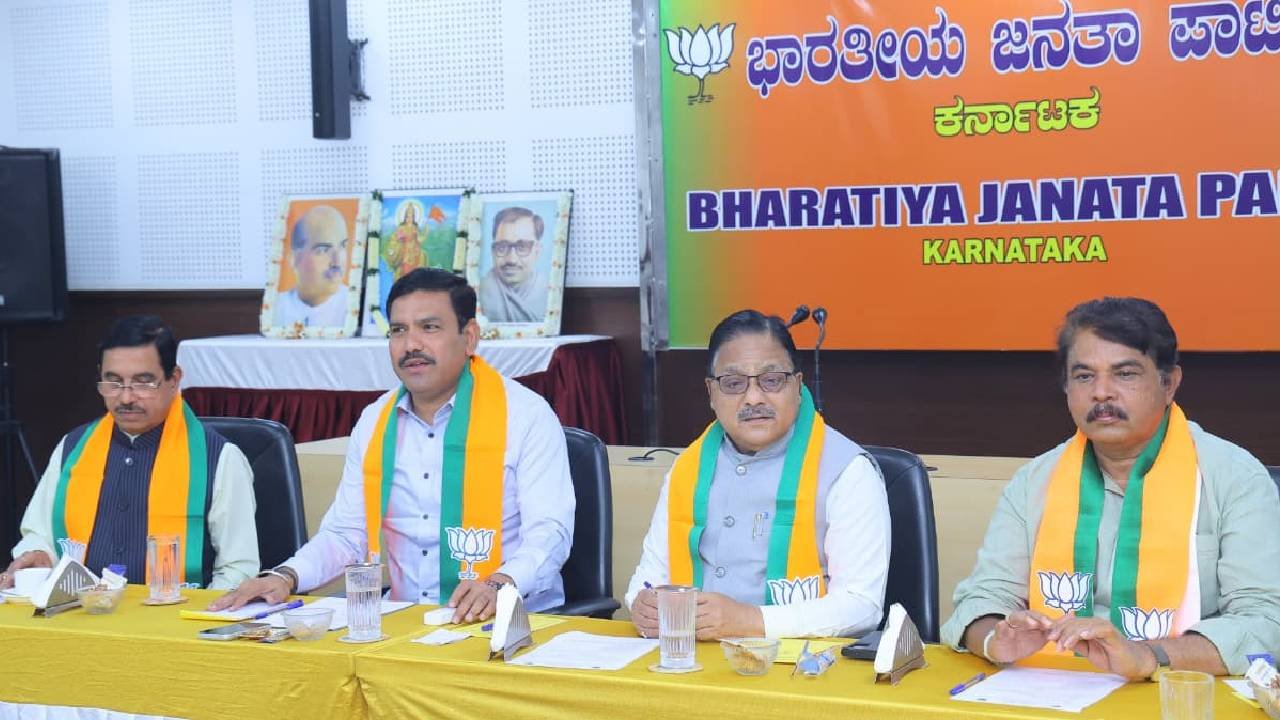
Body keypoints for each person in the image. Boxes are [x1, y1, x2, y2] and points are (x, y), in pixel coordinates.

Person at [942, 297, 1280, 679]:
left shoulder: (1234, 479)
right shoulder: (1034, 481)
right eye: (1084, 376)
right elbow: (981, 600)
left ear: (1169, 384)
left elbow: (1266, 624)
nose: (1102, 392)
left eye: (1125, 374)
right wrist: (995, 639)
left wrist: (1147, 656)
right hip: (1053, 688)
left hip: (1179, 690)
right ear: (1066, 387)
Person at [213, 268, 575, 623]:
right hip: (405, 621)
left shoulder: (525, 415)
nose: (411, 345)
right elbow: (346, 534)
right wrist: (284, 576)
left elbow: (550, 533)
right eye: (398, 330)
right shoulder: (376, 420)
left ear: (469, 338)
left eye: (429, 327)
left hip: (509, 621)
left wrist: (499, 584)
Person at [625, 310, 890, 640]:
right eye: (733, 383)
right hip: (693, 656)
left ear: (797, 385)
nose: (753, 397)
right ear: (711, 393)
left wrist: (750, 620)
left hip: (800, 663)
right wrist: (641, 604)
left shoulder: (847, 471)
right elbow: (649, 577)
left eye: (772, 380)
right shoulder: (687, 469)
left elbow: (861, 606)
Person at [1, 316, 259, 591]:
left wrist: (198, 614)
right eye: (113, 382)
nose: (125, 398)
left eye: (143, 382)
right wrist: (39, 555)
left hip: (175, 613)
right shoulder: (72, 448)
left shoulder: (219, 459)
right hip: (79, 609)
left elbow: (237, 569)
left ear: (173, 379)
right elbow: (40, 535)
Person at [275, 204, 350, 328]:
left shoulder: (355, 304)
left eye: (343, 246)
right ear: (294, 258)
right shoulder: (276, 309)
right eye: (323, 250)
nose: (337, 262)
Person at [477, 207, 549, 323]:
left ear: (537, 251)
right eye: (502, 247)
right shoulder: (479, 292)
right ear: (493, 251)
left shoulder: (548, 292)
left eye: (522, 247)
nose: (512, 260)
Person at [384, 202, 427, 280]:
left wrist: (425, 233)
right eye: (407, 216)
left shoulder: (415, 227)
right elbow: (394, 238)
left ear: (414, 218)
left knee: (422, 257)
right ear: (405, 217)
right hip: (404, 251)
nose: (409, 219)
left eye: (411, 217)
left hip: (415, 251)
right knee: (405, 267)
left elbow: (419, 240)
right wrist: (399, 239)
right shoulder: (401, 227)